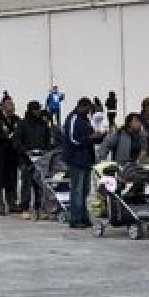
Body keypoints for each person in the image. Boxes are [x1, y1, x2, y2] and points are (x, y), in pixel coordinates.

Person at [62, 97, 102, 229]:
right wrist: (90, 138)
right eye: (88, 109)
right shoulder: (73, 119)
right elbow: (73, 139)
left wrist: (99, 137)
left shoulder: (85, 120)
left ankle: (84, 217)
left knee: (85, 191)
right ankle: (75, 219)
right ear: (81, 107)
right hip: (76, 160)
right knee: (77, 191)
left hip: (86, 159)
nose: (89, 112)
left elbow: (89, 138)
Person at [15, 100, 52, 220]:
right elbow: (17, 141)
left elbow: (47, 139)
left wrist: (46, 151)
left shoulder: (43, 124)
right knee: (27, 184)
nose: (38, 112)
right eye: (35, 110)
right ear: (31, 110)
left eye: (39, 109)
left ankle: (39, 208)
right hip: (27, 159)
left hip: (41, 159)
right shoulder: (23, 124)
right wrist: (24, 151)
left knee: (39, 185)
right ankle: (25, 208)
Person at [0, 97, 22, 215]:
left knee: (11, 180)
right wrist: (6, 137)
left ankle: (12, 204)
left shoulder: (16, 119)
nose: (13, 108)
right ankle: (0, 206)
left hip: (12, 155)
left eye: (13, 106)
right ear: (3, 107)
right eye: (10, 106)